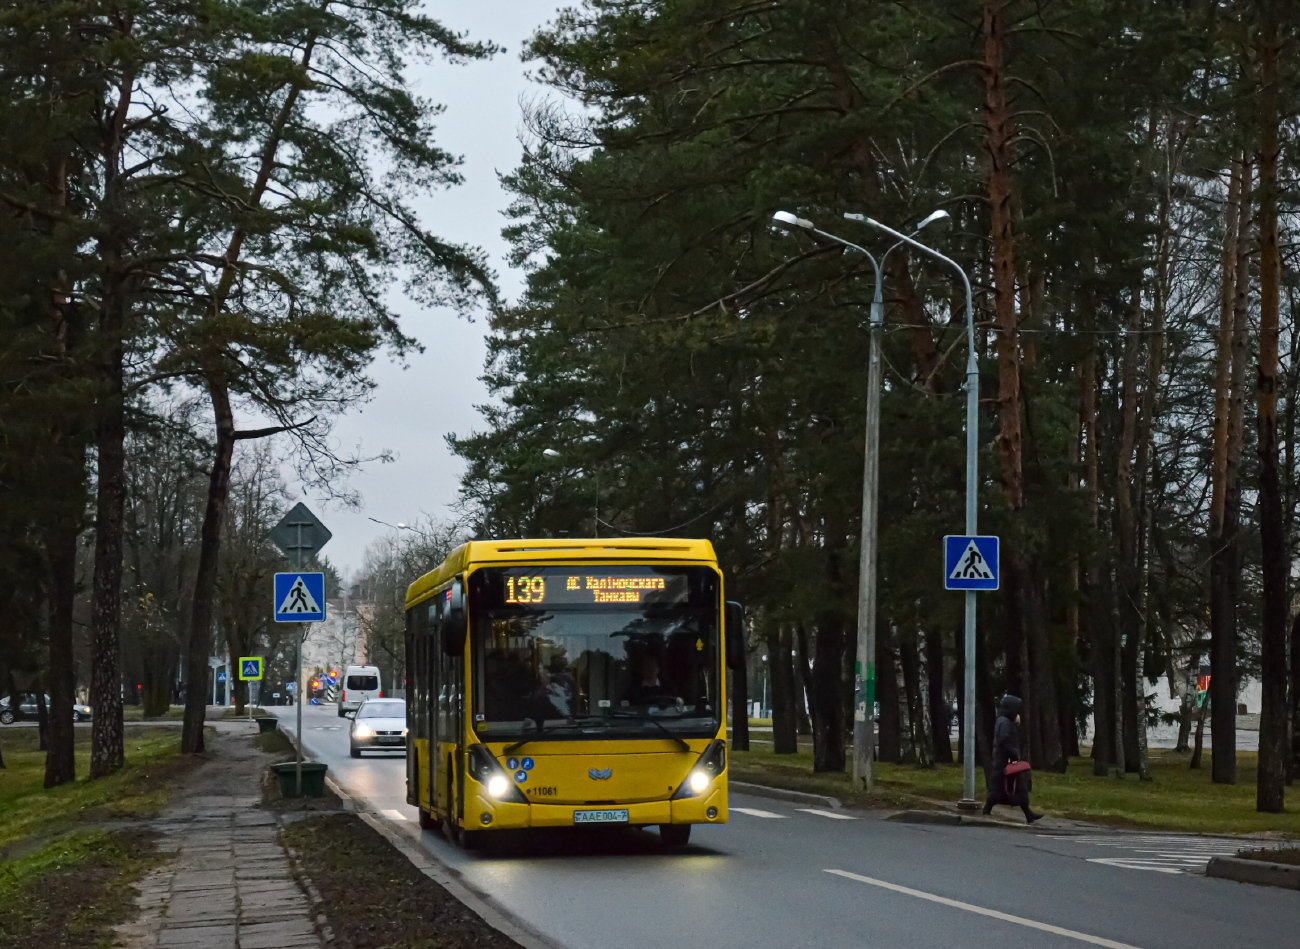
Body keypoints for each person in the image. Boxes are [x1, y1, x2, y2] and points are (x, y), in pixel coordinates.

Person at [983, 694, 1042, 824]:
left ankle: (1028, 814)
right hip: (1004, 760)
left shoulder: (1002, 720)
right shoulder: (1004, 722)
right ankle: (1027, 814)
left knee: (1007, 787)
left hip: (1002, 760)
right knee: (1012, 786)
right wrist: (1013, 752)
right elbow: (1004, 738)